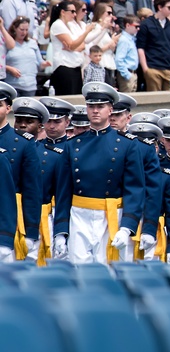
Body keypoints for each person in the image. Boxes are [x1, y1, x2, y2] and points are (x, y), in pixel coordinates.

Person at [50, 82, 143, 263]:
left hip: (110, 215)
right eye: (91, 106)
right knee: (79, 270)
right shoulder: (73, 145)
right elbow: (63, 192)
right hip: (79, 214)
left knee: (107, 269)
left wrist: (127, 227)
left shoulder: (127, 145)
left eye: (100, 106)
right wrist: (61, 231)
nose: (95, 111)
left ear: (110, 110)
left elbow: (134, 189)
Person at [136, 0, 170, 91]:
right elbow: (140, 48)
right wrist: (146, 69)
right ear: (160, 7)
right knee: (154, 99)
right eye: (169, 7)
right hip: (153, 67)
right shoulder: (146, 24)